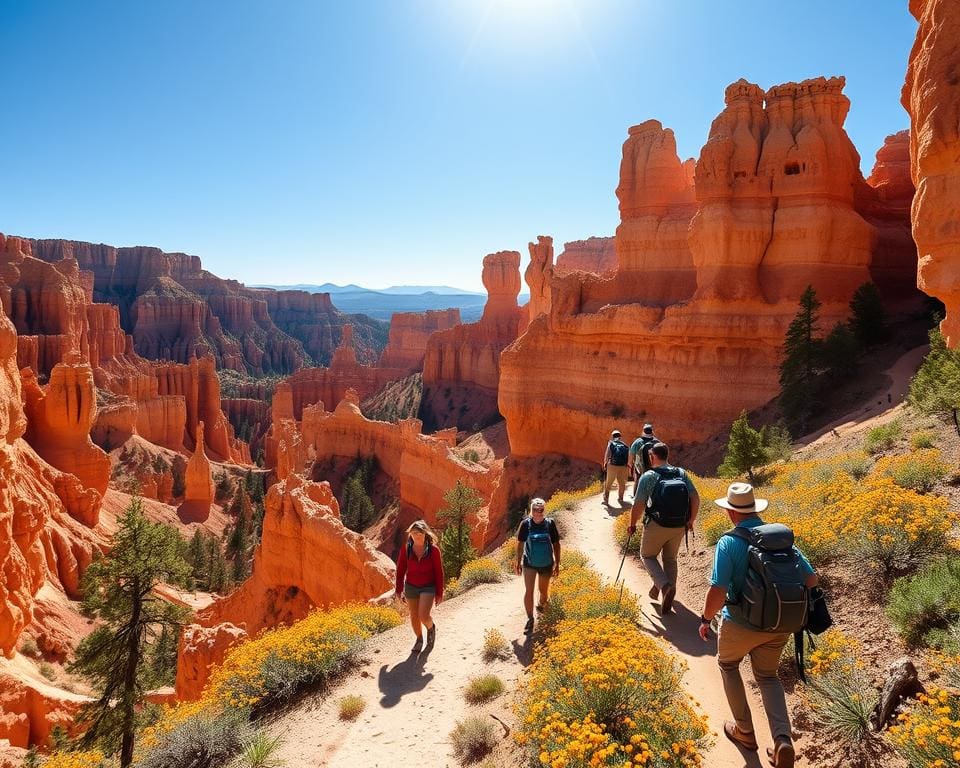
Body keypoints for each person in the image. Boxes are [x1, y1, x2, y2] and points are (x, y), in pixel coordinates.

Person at [698, 483, 818, 768]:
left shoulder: (728, 542)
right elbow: (812, 580)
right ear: (754, 509)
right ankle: (782, 740)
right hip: (779, 625)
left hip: (740, 624)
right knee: (768, 676)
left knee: (728, 666)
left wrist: (705, 619)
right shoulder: (781, 540)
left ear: (730, 512)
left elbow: (718, 588)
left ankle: (745, 732)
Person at [627, 442, 699, 614]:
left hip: (656, 525)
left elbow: (638, 505)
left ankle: (665, 587)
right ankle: (667, 591)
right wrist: (690, 521)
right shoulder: (681, 473)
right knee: (670, 559)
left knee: (648, 556)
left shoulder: (649, 476)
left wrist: (632, 524)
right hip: (679, 525)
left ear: (652, 457)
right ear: (667, 456)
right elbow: (695, 498)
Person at [395, 519, 445, 653]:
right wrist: (399, 589)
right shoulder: (406, 549)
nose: (417, 535)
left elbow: (439, 572)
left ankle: (431, 628)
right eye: (414, 533)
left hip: (428, 586)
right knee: (414, 615)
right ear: (410, 534)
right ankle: (419, 639)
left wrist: (439, 593)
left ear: (425, 534)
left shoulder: (433, 550)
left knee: (423, 615)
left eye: (420, 533)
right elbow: (400, 570)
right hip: (411, 586)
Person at [515, 497, 561, 635]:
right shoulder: (525, 524)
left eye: (541, 510)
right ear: (532, 510)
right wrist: (518, 562)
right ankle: (530, 619)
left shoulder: (550, 524)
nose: (538, 512)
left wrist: (557, 563)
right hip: (529, 563)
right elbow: (520, 543)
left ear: (544, 510)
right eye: (535, 509)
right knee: (529, 591)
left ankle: (541, 608)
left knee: (543, 592)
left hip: (546, 563)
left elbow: (556, 544)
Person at [629, 423, 659, 494]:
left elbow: (631, 455)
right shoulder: (657, 442)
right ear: (652, 431)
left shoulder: (637, 442)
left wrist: (630, 464)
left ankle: (636, 498)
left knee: (637, 481)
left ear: (643, 431)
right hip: (654, 467)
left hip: (640, 468)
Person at [602, 429, 630, 506]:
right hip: (623, 466)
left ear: (612, 436)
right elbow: (628, 456)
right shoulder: (624, 445)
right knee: (621, 483)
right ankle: (620, 498)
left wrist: (605, 463)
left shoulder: (611, 443)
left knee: (609, 483)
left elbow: (607, 454)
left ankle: (606, 499)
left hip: (612, 466)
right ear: (620, 437)